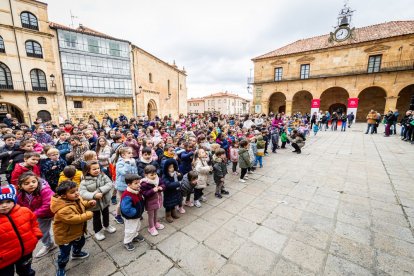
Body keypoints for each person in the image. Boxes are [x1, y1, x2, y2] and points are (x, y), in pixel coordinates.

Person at [51, 181, 96, 276]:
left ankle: (76, 253)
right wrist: (88, 215)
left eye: (77, 190)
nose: (76, 193)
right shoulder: (62, 209)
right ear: (63, 196)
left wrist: (88, 204)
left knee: (80, 242)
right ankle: (61, 267)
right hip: (65, 235)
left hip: (77, 232)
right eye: (72, 192)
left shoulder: (75, 198)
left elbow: (81, 204)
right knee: (64, 254)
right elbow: (74, 219)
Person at [0, 184, 42, 275]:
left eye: (8, 201)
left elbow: (34, 223)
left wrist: (36, 235)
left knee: (26, 272)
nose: (4, 205)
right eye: (0, 203)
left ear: (14, 200)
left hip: (25, 253)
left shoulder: (24, 211)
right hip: (5, 260)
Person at [17, 172, 56, 258]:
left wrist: (32, 214)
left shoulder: (44, 190)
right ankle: (49, 245)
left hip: (54, 213)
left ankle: (69, 240)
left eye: (33, 182)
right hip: (41, 217)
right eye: (26, 183)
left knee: (63, 227)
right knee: (42, 232)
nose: (31, 185)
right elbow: (20, 206)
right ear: (20, 186)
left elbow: (48, 205)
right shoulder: (21, 196)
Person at [79, 160, 116, 241]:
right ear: (88, 170)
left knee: (106, 214)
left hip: (105, 201)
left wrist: (100, 190)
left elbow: (109, 184)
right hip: (94, 204)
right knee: (96, 218)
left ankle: (107, 226)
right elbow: (82, 193)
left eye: (98, 168)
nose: (97, 170)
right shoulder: (84, 181)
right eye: (94, 169)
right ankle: (97, 231)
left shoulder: (103, 175)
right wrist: (93, 195)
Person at [120, 174, 145, 251]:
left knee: (137, 226)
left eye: (139, 182)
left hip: (137, 215)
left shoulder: (136, 191)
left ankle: (135, 235)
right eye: (136, 183)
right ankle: (127, 242)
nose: (138, 185)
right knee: (130, 229)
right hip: (131, 217)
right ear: (129, 184)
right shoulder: (127, 195)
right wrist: (135, 212)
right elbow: (126, 209)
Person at [140, 165, 166, 236]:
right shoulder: (144, 183)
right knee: (151, 216)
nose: (154, 176)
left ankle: (155, 223)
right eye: (151, 175)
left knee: (156, 214)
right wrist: (152, 191)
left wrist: (161, 187)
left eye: (155, 174)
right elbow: (144, 194)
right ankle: (151, 227)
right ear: (146, 175)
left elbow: (163, 185)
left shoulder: (158, 179)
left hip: (157, 200)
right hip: (150, 203)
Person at [114, 147, 138, 224]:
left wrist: (137, 181)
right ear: (123, 155)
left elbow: (135, 172)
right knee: (121, 202)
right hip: (122, 186)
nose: (131, 154)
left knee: (131, 200)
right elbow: (125, 172)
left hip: (131, 185)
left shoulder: (132, 161)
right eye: (129, 153)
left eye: (131, 153)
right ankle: (117, 215)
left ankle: (130, 213)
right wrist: (127, 163)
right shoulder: (120, 163)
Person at [162, 159, 182, 223]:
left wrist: (179, 175)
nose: (172, 169)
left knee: (174, 203)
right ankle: (168, 215)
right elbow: (168, 185)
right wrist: (178, 183)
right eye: (170, 167)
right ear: (166, 168)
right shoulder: (165, 176)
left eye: (173, 167)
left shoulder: (175, 173)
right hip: (168, 193)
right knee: (168, 204)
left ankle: (173, 213)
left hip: (175, 191)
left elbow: (180, 178)